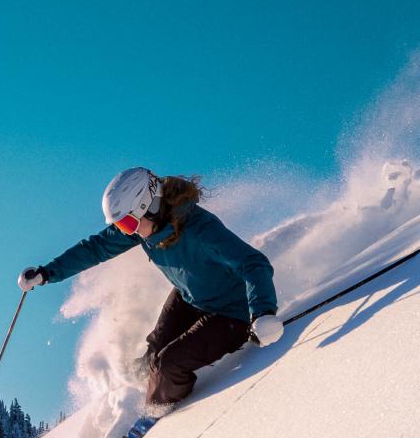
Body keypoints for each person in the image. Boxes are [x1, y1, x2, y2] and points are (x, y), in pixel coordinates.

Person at [18, 168, 283, 410]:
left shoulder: (200, 230)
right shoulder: (146, 228)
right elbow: (95, 248)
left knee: (168, 365)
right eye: (120, 226)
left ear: (150, 205)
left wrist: (263, 312)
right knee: (152, 353)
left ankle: (156, 413)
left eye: (128, 224)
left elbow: (253, 262)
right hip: (192, 297)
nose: (126, 232)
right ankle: (135, 400)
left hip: (232, 314)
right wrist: (47, 273)